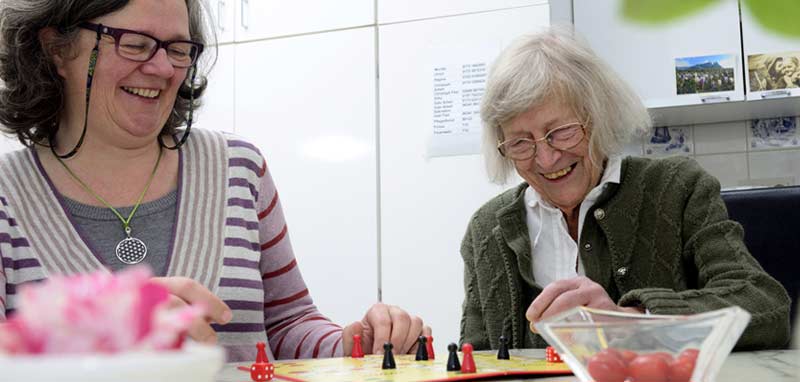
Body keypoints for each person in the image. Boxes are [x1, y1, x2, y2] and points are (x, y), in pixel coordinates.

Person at [0, 0, 429, 362]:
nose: (164, 68)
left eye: (180, 48)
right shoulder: (6, 195)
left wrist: (352, 347)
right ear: (57, 48)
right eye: (135, 45)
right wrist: (101, 329)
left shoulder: (239, 168)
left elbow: (287, 322)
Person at [459, 26, 791, 351]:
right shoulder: (487, 229)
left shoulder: (679, 188)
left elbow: (764, 304)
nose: (545, 159)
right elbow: (475, 355)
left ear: (599, 116)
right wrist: (412, 349)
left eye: (560, 131)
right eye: (520, 142)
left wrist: (631, 321)